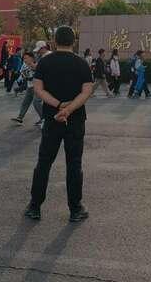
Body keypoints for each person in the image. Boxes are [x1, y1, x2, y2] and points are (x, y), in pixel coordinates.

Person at [25, 26, 93, 222]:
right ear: (74, 41)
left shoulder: (45, 62)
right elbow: (86, 91)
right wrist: (69, 110)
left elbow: (38, 89)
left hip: (52, 118)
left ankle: (35, 207)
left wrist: (58, 105)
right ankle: (75, 209)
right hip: (75, 120)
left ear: (54, 41)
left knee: (44, 162)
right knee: (74, 164)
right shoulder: (82, 63)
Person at [11, 51, 39, 124]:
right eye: (24, 58)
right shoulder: (24, 65)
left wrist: (31, 74)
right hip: (29, 86)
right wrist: (24, 77)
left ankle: (44, 118)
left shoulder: (36, 64)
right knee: (25, 103)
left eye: (26, 58)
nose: (25, 60)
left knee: (36, 104)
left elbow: (37, 74)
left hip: (36, 87)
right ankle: (20, 117)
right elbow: (23, 74)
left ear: (32, 58)